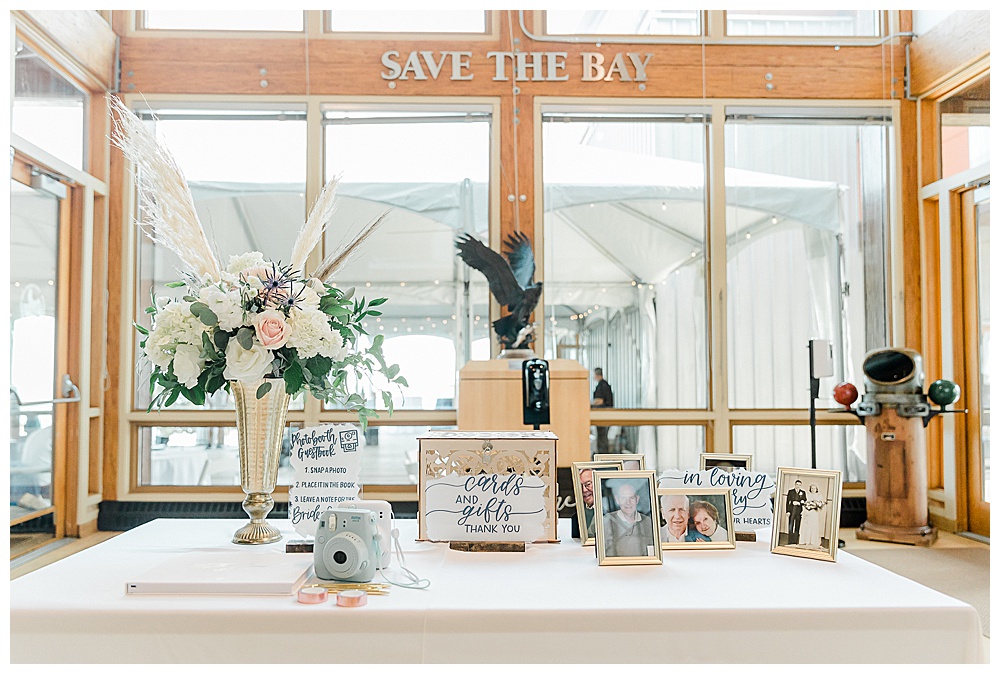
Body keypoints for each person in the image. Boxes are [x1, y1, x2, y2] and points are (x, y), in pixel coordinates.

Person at [602, 482, 655, 556]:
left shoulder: (647, 522)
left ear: (637, 499)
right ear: (617, 500)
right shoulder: (607, 521)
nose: (628, 502)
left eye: (631, 498)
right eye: (623, 498)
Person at [591, 368, 614, 454]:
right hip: (607, 414)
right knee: (603, 436)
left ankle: (602, 454)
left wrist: (590, 403)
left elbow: (600, 401)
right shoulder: (606, 385)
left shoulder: (601, 386)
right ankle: (603, 454)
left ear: (596, 375)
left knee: (602, 435)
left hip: (603, 414)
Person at [799, 483, 827, 549]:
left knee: (813, 526)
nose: (813, 489)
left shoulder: (819, 496)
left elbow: (820, 504)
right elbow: (805, 503)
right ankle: (806, 540)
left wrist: (816, 505)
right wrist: (807, 506)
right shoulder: (807, 495)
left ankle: (813, 541)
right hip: (808, 513)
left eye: (814, 488)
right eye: (812, 488)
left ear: (816, 489)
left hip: (814, 513)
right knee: (807, 526)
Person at [785, 479, 806, 545]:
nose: (798, 486)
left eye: (799, 485)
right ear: (795, 484)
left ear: (801, 485)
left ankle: (795, 540)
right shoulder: (790, 491)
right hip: (791, 511)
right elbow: (787, 502)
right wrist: (787, 511)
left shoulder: (803, 492)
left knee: (797, 525)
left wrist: (799, 503)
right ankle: (790, 540)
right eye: (797, 484)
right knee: (790, 526)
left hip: (798, 512)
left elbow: (804, 502)